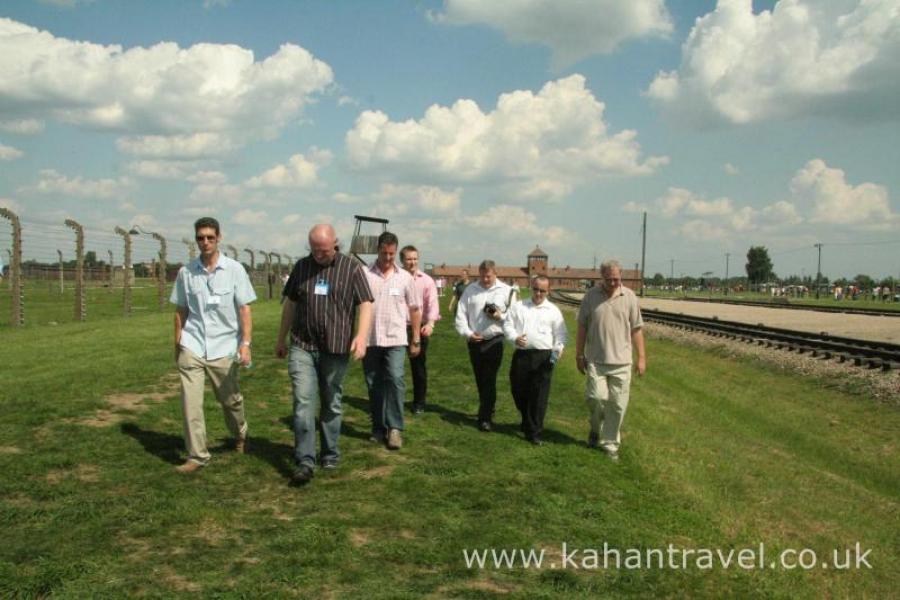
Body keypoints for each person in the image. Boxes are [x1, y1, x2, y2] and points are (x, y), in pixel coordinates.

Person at [276, 224, 374, 485]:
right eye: (315, 251)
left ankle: (330, 452)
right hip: (302, 345)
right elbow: (290, 304)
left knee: (331, 400)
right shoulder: (302, 267)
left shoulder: (351, 268)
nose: (319, 256)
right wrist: (281, 338)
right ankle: (305, 460)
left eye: (324, 251)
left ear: (336, 244)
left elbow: (366, 303)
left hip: (336, 347)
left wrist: (361, 336)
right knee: (303, 402)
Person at [170, 217, 256, 474]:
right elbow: (180, 310)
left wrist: (246, 343)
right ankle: (197, 455)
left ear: (219, 238)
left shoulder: (234, 270)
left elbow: (244, 309)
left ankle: (240, 433)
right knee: (190, 404)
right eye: (200, 237)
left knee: (230, 400)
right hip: (193, 344)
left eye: (209, 237)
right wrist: (178, 343)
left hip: (224, 347)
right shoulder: (186, 273)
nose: (205, 242)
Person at [575, 260, 646, 462]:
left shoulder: (630, 297)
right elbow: (581, 327)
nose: (613, 282)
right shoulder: (590, 297)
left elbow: (637, 329)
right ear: (601, 277)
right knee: (596, 398)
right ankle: (595, 428)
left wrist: (641, 357)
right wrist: (579, 355)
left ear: (620, 276)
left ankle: (610, 445)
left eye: (616, 278)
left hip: (622, 363)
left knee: (617, 405)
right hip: (596, 361)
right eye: (609, 279)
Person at [363, 233, 421, 450]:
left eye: (391, 253)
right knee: (374, 384)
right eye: (384, 253)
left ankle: (395, 428)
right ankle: (378, 427)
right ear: (377, 250)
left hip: (396, 339)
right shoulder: (364, 273)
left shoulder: (405, 277)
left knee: (396, 380)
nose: (388, 258)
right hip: (371, 339)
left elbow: (415, 309)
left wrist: (415, 339)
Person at [502, 276, 567, 445]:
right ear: (531, 288)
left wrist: (558, 348)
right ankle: (527, 419)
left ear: (548, 291)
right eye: (536, 289)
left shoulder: (553, 311)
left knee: (539, 395)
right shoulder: (519, 306)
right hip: (522, 356)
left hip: (544, 357)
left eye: (542, 291)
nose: (538, 293)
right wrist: (514, 337)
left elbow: (561, 334)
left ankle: (535, 432)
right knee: (518, 391)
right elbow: (507, 325)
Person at [454, 260, 512, 431]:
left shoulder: (506, 291)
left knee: (489, 377)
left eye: (489, 276)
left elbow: (515, 317)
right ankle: (488, 406)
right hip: (474, 341)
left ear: (495, 274)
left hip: (495, 341)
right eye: (483, 276)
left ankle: (485, 417)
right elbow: (461, 314)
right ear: (478, 274)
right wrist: (468, 333)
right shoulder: (470, 290)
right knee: (480, 379)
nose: (485, 279)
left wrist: (500, 316)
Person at [400, 244, 440, 414]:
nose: (412, 262)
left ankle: (419, 403)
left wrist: (430, 323)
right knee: (394, 368)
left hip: (420, 328)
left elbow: (432, 304)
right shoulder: (396, 277)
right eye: (409, 259)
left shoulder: (426, 280)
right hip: (398, 328)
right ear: (402, 260)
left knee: (419, 368)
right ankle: (394, 401)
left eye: (415, 258)